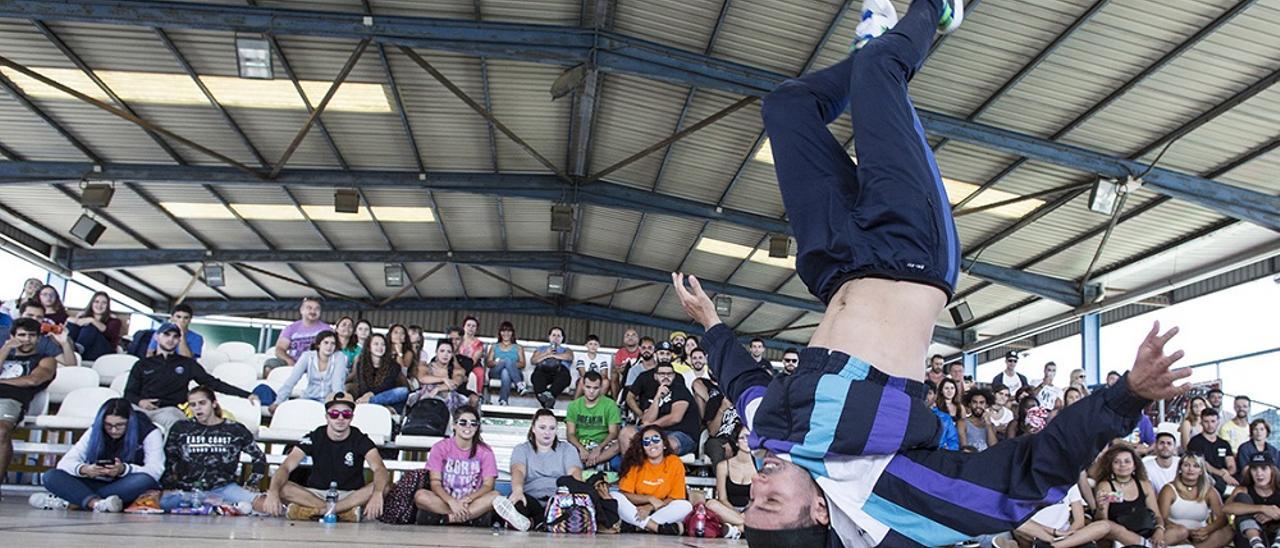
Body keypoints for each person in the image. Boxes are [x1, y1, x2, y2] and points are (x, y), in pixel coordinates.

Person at [670, 0, 1194, 543]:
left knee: (787, 107)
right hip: (911, 251)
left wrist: (710, 325)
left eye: (750, 498)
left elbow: (744, 380)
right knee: (881, 72)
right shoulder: (886, 489)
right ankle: (935, 11)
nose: (758, 486)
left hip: (835, 263)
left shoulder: (770, 435)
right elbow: (1027, 476)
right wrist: (1127, 397)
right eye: (771, 502)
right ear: (822, 514)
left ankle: (874, 51)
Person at [264, 392, 388, 522]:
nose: (340, 418)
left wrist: (377, 493)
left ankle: (316, 512)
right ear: (326, 417)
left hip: (350, 495)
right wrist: (273, 492)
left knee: (384, 487)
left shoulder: (360, 438)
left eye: (346, 414)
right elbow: (286, 466)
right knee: (281, 487)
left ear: (352, 417)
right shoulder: (315, 436)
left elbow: (379, 468)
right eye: (334, 414)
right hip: (315, 494)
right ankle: (342, 512)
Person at [31, 398, 162, 512]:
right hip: (97, 481)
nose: (114, 430)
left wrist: (124, 469)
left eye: (120, 425)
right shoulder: (96, 430)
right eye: (108, 425)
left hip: (125, 484)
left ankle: (73, 502)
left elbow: (155, 471)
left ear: (130, 422)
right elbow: (65, 463)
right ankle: (97, 504)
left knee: (143, 481)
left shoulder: (148, 431)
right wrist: (84, 469)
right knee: (51, 476)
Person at [124, 322, 255, 430]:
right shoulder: (142, 364)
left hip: (169, 410)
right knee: (119, 417)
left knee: (178, 426)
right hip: (140, 409)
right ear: (157, 337)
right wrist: (140, 402)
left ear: (179, 340)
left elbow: (212, 383)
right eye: (166, 335)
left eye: (175, 336)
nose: (171, 339)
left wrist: (246, 394)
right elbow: (129, 393)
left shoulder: (187, 364)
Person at [158, 386, 269, 513]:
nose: (197, 408)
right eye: (193, 405)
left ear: (214, 404)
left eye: (202, 403)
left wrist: (252, 484)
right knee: (164, 503)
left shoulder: (234, 429)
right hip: (188, 490)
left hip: (224, 488)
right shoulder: (181, 428)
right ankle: (219, 506)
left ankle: (216, 506)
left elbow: (258, 456)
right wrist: (168, 486)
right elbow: (168, 458)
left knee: (265, 505)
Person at [491, 408, 584, 531]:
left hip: (557, 500)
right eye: (542, 427)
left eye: (552, 428)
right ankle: (534, 522)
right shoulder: (521, 449)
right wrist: (517, 491)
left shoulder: (568, 449)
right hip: (531, 498)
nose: (547, 432)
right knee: (518, 503)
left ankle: (531, 523)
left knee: (570, 513)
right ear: (533, 429)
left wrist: (569, 496)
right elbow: (518, 471)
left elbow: (575, 473)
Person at [414, 405, 499, 525]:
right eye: (463, 422)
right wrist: (451, 502)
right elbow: (435, 482)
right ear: (454, 425)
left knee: (496, 497)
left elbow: (488, 485)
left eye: (473, 423)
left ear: (477, 427)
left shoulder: (485, 451)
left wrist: (468, 499)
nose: (468, 426)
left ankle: (450, 519)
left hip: (471, 501)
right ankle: (466, 517)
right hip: (445, 500)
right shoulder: (440, 447)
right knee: (420, 496)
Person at [0, 318, 57, 486]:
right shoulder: (5, 353)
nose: (26, 339)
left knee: (1, 431)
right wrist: (5, 348)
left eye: (31, 335)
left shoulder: (45, 359)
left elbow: (33, 380)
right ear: (12, 336)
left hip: (12, 399)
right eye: (21, 335)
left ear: (39, 338)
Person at [611, 425, 692, 535]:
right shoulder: (635, 462)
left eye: (655, 440)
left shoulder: (675, 462)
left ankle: (638, 526)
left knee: (685, 506)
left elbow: (675, 497)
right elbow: (626, 494)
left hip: (660, 509)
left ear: (664, 444)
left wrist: (649, 507)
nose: (652, 444)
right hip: (636, 509)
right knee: (614, 496)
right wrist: (649, 499)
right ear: (643, 448)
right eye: (646, 442)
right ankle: (656, 527)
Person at [1086, 444, 1164, 547]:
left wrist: (1159, 530)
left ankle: (1144, 544)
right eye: (1117, 462)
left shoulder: (1144, 484)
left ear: (1135, 465)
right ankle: (1145, 545)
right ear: (1110, 465)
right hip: (1119, 534)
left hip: (1145, 530)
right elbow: (1102, 522)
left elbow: (1157, 515)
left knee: (1180, 532)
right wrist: (1100, 508)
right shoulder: (1105, 485)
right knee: (1111, 527)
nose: (1122, 465)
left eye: (1127, 461)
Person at [621, 360, 701, 457]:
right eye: (662, 374)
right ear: (655, 376)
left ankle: (654, 470)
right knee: (626, 433)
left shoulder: (680, 390)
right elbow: (646, 420)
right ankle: (632, 470)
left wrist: (649, 426)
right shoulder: (654, 394)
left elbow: (675, 418)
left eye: (669, 374)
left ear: (674, 376)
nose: (666, 377)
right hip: (657, 433)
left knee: (666, 444)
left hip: (682, 434)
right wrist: (657, 398)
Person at [1157, 453, 1233, 548]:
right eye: (1186, 465)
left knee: (1228, 531)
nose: (1191, 469)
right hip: (1176, 533)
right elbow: (1161, 518)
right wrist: (1187, 532)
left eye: (1196, 466)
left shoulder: (1210, 490)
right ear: (1180, 469)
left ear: (1201, 471)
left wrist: (1207, 530)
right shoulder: (1169, 489)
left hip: (1200, 536)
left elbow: (1222, 518)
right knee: (1180, 532)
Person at [269, 330, 349, 413]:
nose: (329, 346)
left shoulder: (339, 357)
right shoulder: (307, 356)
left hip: (328, 401)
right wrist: (278, 402)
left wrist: (336, 405)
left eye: (333, 343)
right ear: (318, 344)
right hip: (308, 398)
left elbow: (337, 384)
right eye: (326, 342)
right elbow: (292, 380)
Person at [705, 422, 753, 538]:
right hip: (727, 510)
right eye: (743, 437)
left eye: (751, 438)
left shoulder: (759, 465)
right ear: (736, 441)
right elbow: (722, 498)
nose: (748, 441)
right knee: (711, 504)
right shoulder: (723, 466)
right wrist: (738, 515)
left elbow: (758, 500)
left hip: (752, 511)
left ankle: (736, 530)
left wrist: (746, 514)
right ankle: (748, 528)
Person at [565, 371, 622, 470]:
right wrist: (581, 448)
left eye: (595, 388)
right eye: (588, 387)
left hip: (604, 445)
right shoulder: (574, 405)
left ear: (600, 388)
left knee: (619, 445)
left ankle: (588, 464)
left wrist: (599, 448)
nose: (591, 391)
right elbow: (570, 434)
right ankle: (597, 463)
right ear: (582, 386)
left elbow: (613, 433)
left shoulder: (610, 404)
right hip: (581, 445)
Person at [263, 297, 330, 374]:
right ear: (301, 310)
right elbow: (280, 349)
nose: (313, 311)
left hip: (316, 365)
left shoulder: (327, 329)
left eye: (317, 309)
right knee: (270, 364)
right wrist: (289, 361)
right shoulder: (291, 328)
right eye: (309, 308)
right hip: (293, 363)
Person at [1226, 453, 1280, 548]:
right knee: (1242, 498)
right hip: (1249, 538)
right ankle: (1256, 544)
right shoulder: (1244, 489)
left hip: (1275, 534)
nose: (1259, 473)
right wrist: (1262, 508)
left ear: (1272, 470)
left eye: (1263, 468)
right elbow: (1227, 508)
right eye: (1254, 469)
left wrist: (1274, 514)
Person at [409, 339, 478, 412]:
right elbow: (422, 378)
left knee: (449, 396)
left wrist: (438, 389)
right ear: (436, 352)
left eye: (449, 352)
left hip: (448, 397)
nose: (445, 354)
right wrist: (443, 379)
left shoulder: (458, 370)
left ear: (452, 355)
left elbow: (455, 384)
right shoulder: (426, 367)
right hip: (427, 396)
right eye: (442, 351)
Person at [1, 299, 75, 366]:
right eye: (30, 315)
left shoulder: (43, 341)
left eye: (39, 317)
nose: (34, 319)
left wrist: (64, 343)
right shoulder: (2, 333)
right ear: (20, 315)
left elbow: (71, 365)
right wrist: (6, 348)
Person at [348, 333, 409, 412]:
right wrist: (367, 395)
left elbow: (387, 386)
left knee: (403, 392)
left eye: (383, 344)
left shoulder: (394, 365)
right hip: (365, 397)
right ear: (369, 347)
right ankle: (374, 404)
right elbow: (362, 385)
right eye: (376, 344)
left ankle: (369, 403)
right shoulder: (361, 363)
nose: (380, 347)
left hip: (385, 397)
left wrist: (371, 396)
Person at [1188, 408, 1237, 494]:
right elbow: (1202, 463)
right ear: (1201, 422)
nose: (1210, 425)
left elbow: (1231, 464)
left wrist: (1227, 473)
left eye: (1213, 421)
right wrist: (1221, 473)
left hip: (1225, 475)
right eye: (1206, 421)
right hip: (1205, 476)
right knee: (1217, 484)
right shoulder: (1195, 442)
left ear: (1218, 422)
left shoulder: (1224, 443)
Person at [67, 291, 122, 361]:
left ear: (108, 305)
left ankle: (77, 350)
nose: (99, 305)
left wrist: (92, 320)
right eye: (96, 302)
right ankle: (67, 348)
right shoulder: (83, 317)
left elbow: (109, 334)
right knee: (72, 325)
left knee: (90, 327)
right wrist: (75, 320)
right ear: (91, 303)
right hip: (86, 351)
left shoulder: (114, 321)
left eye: (104, 303)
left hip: (104, 352)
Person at [530, 326, 573, 409]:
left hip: (560, 371)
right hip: (543, 370)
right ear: (549, 337)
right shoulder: (542, 348)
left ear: (562, 338)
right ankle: (549, 404)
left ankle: (548, 396)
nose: (556, 338)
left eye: (558, 336)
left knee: (564, 377)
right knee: (537, 376)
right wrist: (546, 353)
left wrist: (553, 355)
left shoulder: (566, 349)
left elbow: (569, 357)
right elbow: (534, 360)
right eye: (553, 335)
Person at [485, 321, 526, 406]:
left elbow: (522, 364)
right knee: (506, 361)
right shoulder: (494, 346)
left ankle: (503, 401)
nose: (506, 333)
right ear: (500, 333)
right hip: (496, 371)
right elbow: (488, 363)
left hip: (515, 373)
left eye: (508, 331)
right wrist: (499, 362)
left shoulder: (518, 347)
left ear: (512, 333)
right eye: (503, 331)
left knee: (506, 372)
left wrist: (510, 365)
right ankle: (519, 384)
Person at [457, 316, 486, 400]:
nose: (471, 328)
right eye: (468, 325)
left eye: (473, 326)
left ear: (476, 329)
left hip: (473, 364)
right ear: (464, 327)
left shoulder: (479, 343)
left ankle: (479, 394)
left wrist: (465, 371)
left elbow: (474, 359)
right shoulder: (458, 340)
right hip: (458, 363)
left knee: (480, 373)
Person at [573, 334, 610, 398]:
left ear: (599, 346)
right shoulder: (581, 358)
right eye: (590, 344)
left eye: (595, 344)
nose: (593, 346)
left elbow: (604, 375)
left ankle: (598, 402)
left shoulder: (602, 359)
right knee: (582, 380)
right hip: (585, 379)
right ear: (586, 345)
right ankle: (575, 401)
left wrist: (596, 381)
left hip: (598, 380)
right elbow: (582, 374)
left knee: (606, 382)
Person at [926, 381, 959, 450]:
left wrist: (947, 451)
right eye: (924, 393)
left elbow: (953, 442)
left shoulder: (945, 418)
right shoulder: (912, 414)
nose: (926, 396)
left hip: (940, 455)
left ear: (935, 396)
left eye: (929, 393)